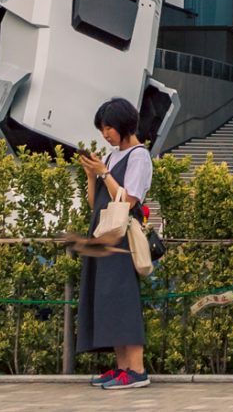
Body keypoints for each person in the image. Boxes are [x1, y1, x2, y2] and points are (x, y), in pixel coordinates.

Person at [78, 96, 155, 390]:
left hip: (122, 239)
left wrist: (104, 173)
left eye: (109, 127)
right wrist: (92, 176)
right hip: (104, 235)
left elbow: (128, 200)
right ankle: (123, 368)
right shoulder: (111, 158)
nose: (105, 134)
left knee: (123, 299)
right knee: (108, 299)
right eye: (102, 129)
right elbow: (95, 203)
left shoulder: (139, 156)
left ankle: (137, 370)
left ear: (124, 125)